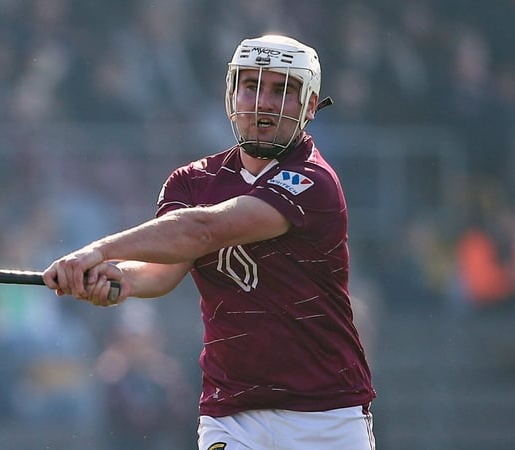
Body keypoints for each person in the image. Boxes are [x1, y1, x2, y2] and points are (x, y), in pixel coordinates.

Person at [43, 34, 377, 449]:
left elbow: (203, 230)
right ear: (231, 93)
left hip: (325, 414)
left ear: (310, 106)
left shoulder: (314, 180)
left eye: (282, 90)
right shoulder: (191, 182)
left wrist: (96, 251)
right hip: (230, 416)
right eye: (251, 86)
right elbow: (164, 270)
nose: (263, 102)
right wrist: (119, 279)